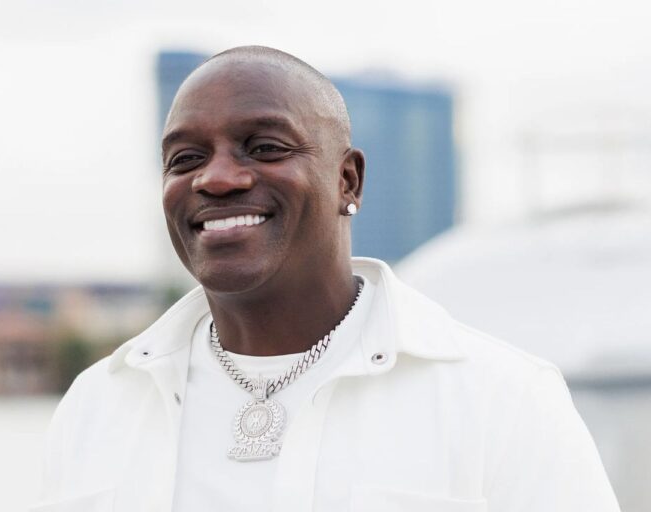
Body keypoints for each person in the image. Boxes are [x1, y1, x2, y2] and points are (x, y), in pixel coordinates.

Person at [32, 46, 619, 512]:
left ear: (348, 181)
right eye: (185, 158)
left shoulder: (503, 399)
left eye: (264, 147)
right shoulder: (97, 406)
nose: (217, 178)